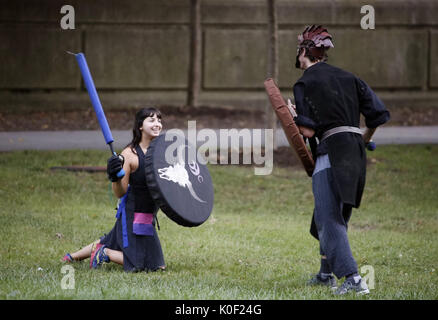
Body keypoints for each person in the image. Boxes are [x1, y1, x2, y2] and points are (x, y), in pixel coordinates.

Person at [290, 25, 390, 295]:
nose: (297, 54)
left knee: (328, 217)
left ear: (305, 53)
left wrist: (294, 116)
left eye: (299, 49)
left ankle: (353, 278)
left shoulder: (304, 82)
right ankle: (325, 274)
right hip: (355, 154)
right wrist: (364, 138)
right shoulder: (350, 77)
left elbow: (308, 131)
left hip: (331, 152)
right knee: (332, 215)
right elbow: (378, 115)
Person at [62, 107, 166, 272]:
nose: (157, 124)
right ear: (140, 125)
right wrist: (115, 177)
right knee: (144, 266)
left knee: (115, 240)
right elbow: (120, 192)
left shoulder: (160, 153)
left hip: (148, 215)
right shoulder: (130, 154)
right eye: (151, 120)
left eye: (159, 120)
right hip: (133, 215)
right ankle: (106, 253)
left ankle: (72, 257)